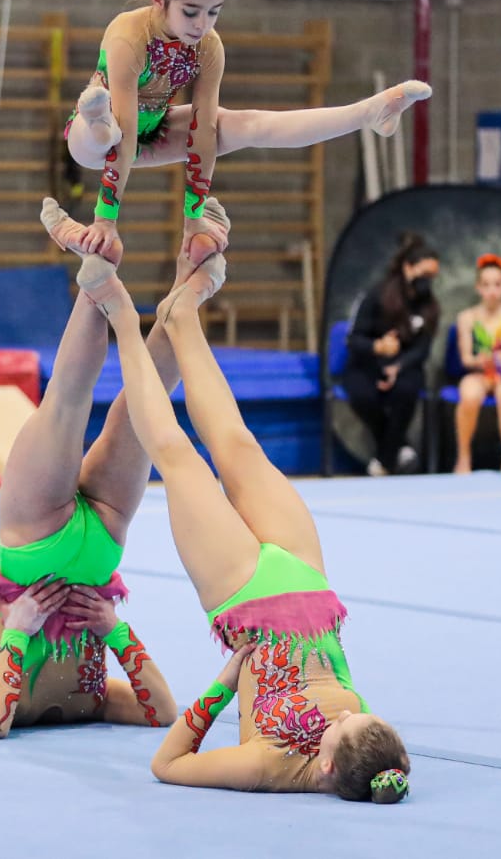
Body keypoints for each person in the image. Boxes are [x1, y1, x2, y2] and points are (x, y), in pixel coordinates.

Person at [76, 250, 410, 803]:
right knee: (229, 447)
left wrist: (227, 683)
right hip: (298, 587)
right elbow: (171, 764)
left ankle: (122, 316)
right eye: (357, 714)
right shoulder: (340, 753)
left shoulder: (272, 763)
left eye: (340, 722)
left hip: (272, 594)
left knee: (181, 454)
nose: (345, 710)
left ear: (323, 767)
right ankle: (181, 316)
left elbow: (168, 764)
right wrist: (226, 688)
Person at [0, 218, 216, 738]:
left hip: (46, 544)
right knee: (133, 408)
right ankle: (184, 279)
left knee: (71, 403)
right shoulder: (87, 698)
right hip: (86, 552)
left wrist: (18, 634)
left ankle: (118, 271)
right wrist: (113, 631)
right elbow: (161, 711)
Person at [47, 0, 429, 269]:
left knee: (244, 123)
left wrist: (193, 219)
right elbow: (127, 136)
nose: (202, 24)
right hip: (95, 144)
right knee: (108, 130)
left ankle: (369, 113)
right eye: (191, 11)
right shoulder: (129, 36)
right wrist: (105, 221)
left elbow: (204, 132)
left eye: (214, 12)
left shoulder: (209, 47)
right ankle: (97, 116)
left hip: (156, 130)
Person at [341, 233, 440, 476]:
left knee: (407, 390)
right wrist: (378, 347)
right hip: (368, 363)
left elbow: (422, 350)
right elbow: (354, 339)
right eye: (422, 274)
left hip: (404, 367)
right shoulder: (377, 295)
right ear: (408, 268)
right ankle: (399, 447)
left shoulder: (429, 307)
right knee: (362, 395)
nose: (426, 281)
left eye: (432, 277)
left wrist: (399, 365)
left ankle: (384, 461)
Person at [453, 254, 501, 473]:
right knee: (469, 394)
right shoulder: (467, 317)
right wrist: (481, 360)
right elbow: (466, 358)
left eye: (497, 284)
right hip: (481, 372)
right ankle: (464, 456)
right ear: (478, 288)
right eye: (486, 285)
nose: (491, 290)